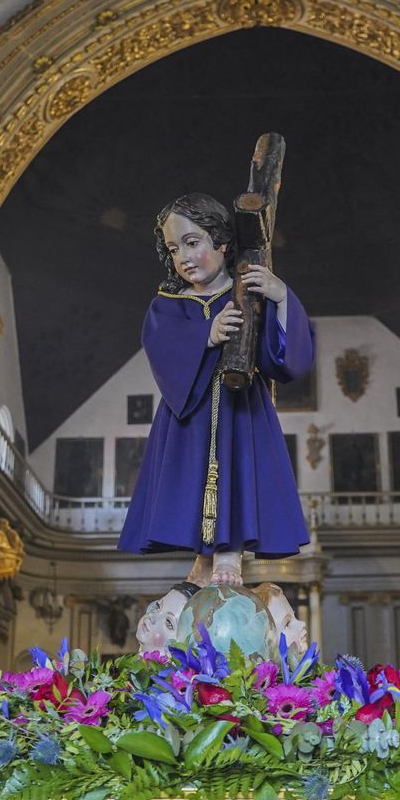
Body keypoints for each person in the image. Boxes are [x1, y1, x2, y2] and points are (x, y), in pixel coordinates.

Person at [117, 193, 313, 587]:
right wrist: (206, 335)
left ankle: (229, 553)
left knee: (237, 471)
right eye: (174, 248)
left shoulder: (248, 294)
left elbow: (285, 359)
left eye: (193, 242)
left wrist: (280, 296)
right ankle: (202, 559)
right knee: (192, 480)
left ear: (221, 242)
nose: (183, 257)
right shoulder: (168, 304)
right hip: (190, 413)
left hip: (240, 411)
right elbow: (161, 348)